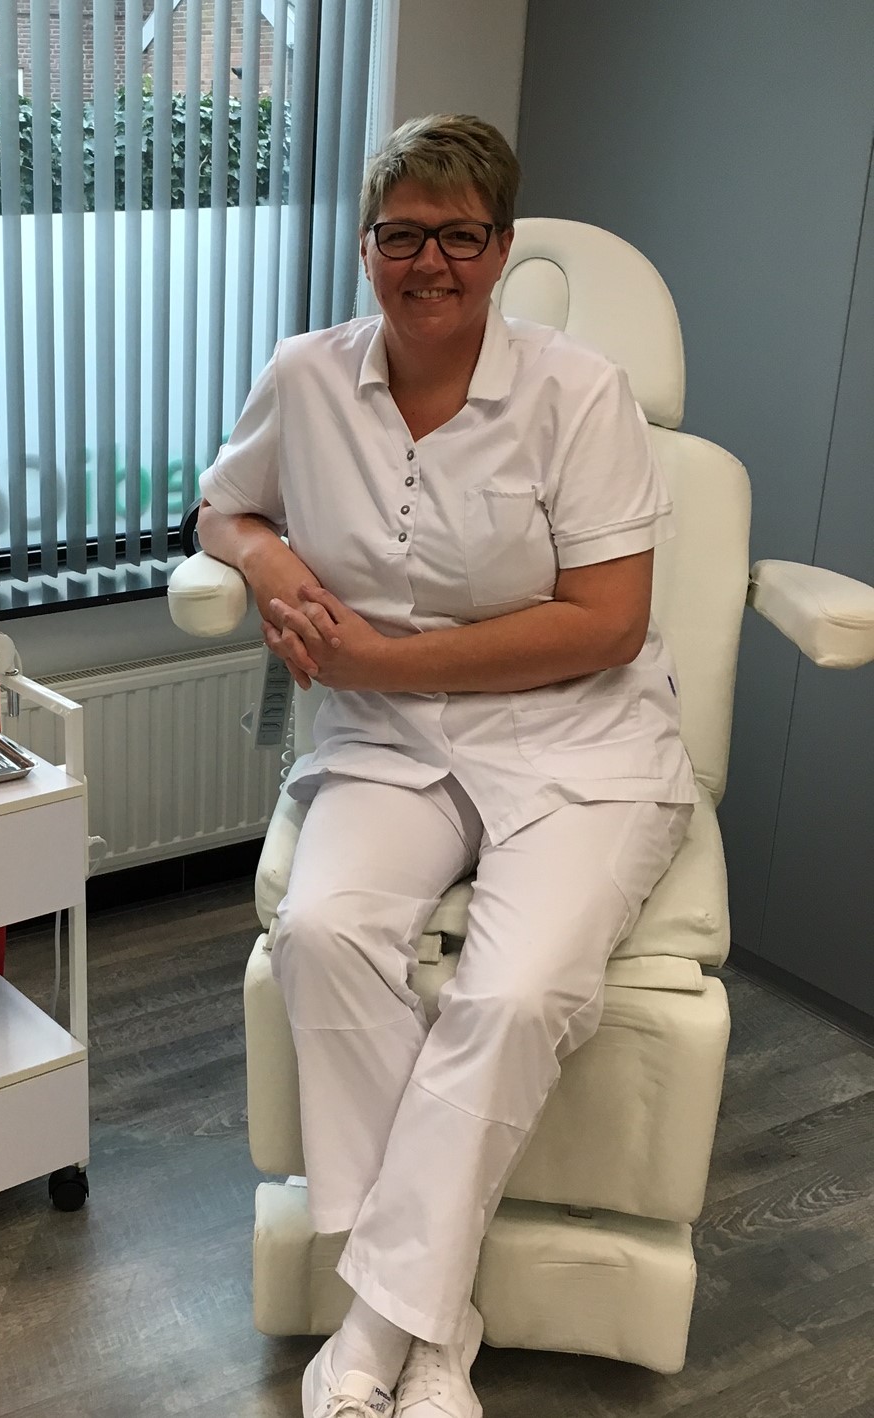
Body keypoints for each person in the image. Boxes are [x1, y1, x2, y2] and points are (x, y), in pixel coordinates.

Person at [196, 114, 698, 1418]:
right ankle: (439, 1320)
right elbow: (221, 505)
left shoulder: (578, 392)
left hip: (573, 737)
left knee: (516, 994)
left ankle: (383, 1328)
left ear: (502, 247)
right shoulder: (306, 376)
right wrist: (269, 562)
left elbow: (609, 622)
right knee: (323, 932)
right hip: (388, 742)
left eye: (461, 236)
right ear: (367, 248)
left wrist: (383, 658)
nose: (432, 263)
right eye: (404, 235)